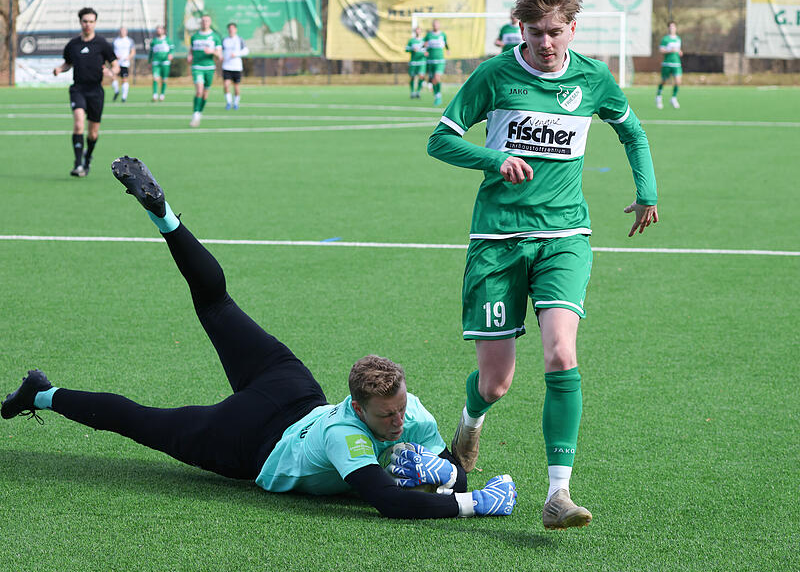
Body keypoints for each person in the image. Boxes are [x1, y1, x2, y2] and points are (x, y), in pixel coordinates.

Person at [1, 156, 517, 521]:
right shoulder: (347, 436)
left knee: (216, 305)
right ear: (357, 408)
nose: (399, 421)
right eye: (387, 416)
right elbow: (391, 503)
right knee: (143, 421)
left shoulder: (411, 414)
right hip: (251, 442)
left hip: (290, 387)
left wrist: (443, 472)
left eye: (400, 409)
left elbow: (443, 472)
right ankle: (40, 392)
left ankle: (163, 217)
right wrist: (468, 500)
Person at [427, 0, 659, 530]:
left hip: (564, 237)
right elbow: (440, 138)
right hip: (497, 241)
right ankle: (467, 427)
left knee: (560, 352)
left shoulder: (593, 77)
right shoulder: (495, 74)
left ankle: (558, 493)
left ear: (572, 30)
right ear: (520, 31)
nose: (547, 43)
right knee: (495, 383)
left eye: (556, 32)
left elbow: (633, 132)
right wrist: (494, 158)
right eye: (536, 33)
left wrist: (646, 191)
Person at [53, 7, 119, 178]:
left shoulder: (102, 44)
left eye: (91, 21)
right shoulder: (73, 45)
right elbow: (67, 63)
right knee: (78, 124)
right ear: (80, 22)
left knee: (93, 133)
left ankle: (87, 158)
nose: (87, 24)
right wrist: (59, 69)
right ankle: (77, 164)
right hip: (78, 89)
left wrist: (112, 73)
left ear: (95, 23)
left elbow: (115, 64)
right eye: (85, 21)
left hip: (96, 91)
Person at [187, 14, 222, 127]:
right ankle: (195, 114)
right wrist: (189, 56)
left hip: (209, 67)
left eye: (207, 21)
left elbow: (219, 55)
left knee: (205, 94)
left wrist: (212, 51)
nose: (205, 23)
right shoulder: (195, 36)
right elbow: (191, 50)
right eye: (203, 21)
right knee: (199, 91)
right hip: (197, 67)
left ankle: (200, 111)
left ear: (210, 22)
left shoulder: (215, 37)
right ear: (200, 22)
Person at [221, 23, 249, 110]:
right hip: (226, 66)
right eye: (229, 28)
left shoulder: (239, 40)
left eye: (233, 28)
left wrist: (236, 54)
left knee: (236, 86)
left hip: (236, 67)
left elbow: (246, 50)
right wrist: (221, 56)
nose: (231, 30)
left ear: (235, 30)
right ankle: (229, 102)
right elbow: (220, 51)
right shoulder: (225, 40)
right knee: (226, 85)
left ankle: (236, 103)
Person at [656, 21, 682, 109]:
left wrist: (679, 52)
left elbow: (678, 50)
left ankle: (673, 98)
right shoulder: (665, 39)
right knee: (664, 81)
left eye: (673, 27)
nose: (672, 28)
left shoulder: (678, 39)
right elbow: (661, 50)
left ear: (676, 28)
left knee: (678, 82)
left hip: (676, 63)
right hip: (667, 63)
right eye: (670, 27)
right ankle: (658, 96)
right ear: (668, 28)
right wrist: (670, 50)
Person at [423, 20, 449, 106]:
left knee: (437, 77)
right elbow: (423, 45)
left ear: (439, 25)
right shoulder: (428, 35)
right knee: (433, 80)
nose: (435, 26)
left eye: (437, 24)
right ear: (432, 25)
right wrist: (425, 50)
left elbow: (446, 44)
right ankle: (436, 95)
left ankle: (438, 95)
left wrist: (448, 50)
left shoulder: (442, 35)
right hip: (431, 61)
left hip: (440, 61)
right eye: (434, 24)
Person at [148, 25, 174, 102]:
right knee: (155, 78)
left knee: (164, 79)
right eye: (157, 30)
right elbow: (151, 53)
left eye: (160, 30)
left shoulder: (168, 40)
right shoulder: (154, 41)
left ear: (163, 30)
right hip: (156, 62)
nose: (158, 31)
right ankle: (155, 95)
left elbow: (172, 50)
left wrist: (170, 54)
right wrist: (149, 62)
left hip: (165, 62)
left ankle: (162, 95)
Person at [111, 27, 136, 103]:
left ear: (126, 32)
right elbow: (110, 52)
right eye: (121, 31)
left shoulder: (129, 41)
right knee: (113, 77)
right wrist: (115, 57)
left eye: (124, 31)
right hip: (116, 63)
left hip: (125, 63)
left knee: (124, 79)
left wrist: (128, 57)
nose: (122, 32)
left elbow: (133, 52)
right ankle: (116, 91)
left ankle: (124, 97)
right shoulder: (115, 41)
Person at [405, 26, 426, 99]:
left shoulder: (424, 40)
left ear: (420, 31)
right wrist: (412, 49)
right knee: (412, 77)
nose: (418, 32)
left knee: (421, 76)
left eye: (419, 30)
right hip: (413, 62)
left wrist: (426, 53)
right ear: (415, 32)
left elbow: (427, 50)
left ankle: (418, 92)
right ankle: (412, 92)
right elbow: (406, 49)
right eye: (416, 31)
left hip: (422, 62)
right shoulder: (411, 41)